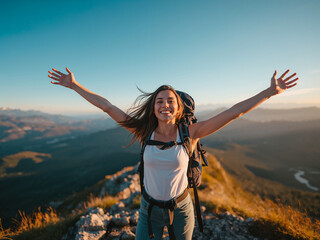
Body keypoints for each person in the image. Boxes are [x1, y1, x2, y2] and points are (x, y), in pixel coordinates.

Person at [48, 67, 299, 240]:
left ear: (178, 109)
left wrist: (269, 92)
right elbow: (107, 106)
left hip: (181, 208)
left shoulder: (191, 132)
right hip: (148, 209)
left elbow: (235, 112)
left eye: (170, 101)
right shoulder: (143, 131)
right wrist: (74, 85)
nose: (165, 105)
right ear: (153, 107)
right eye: (159, 101)